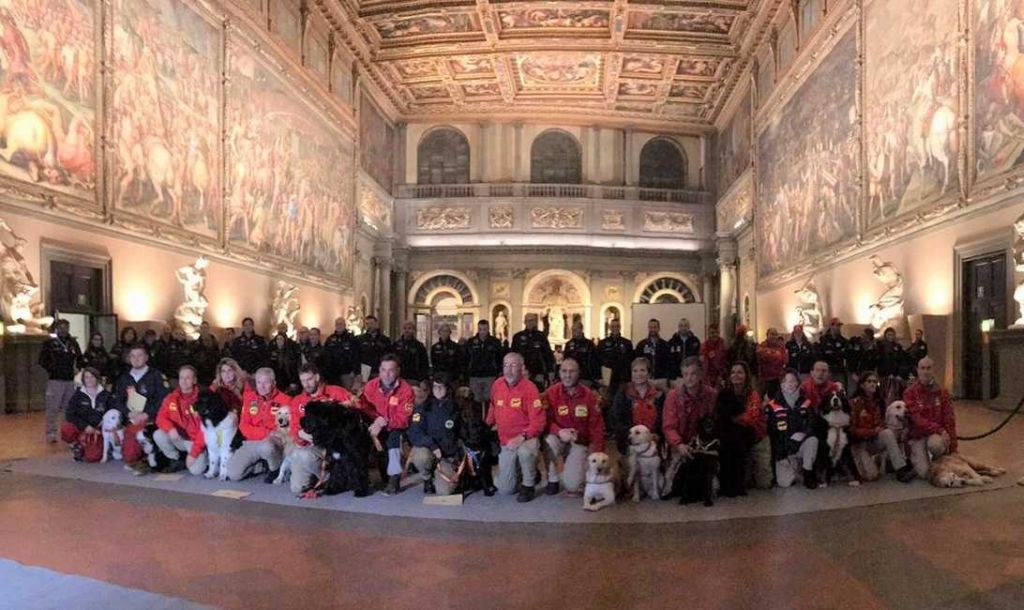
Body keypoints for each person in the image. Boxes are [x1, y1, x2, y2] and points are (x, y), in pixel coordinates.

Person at [486, 352, 546, 502]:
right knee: (506, 490)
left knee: (525, 452)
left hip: (526, 438)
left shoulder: (530, 388)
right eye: (506, 365)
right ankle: (525, 470)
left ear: (522, 368)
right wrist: (485, 427)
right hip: (505, 441)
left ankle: (529, 484)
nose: (508, 370)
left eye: (513, 365)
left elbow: (539, 422)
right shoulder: (497, 384)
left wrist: (522, 437)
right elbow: (492, 409)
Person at [287, 364, 355, 494]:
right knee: (297, 488)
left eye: (309, 379)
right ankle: (325, 477)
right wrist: (300, 434)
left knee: (304, 455)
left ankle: (338, 479)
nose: (306, 384)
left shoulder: (336, 392)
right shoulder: (297, 401)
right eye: (303, 381)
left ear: (317, 377)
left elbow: (356, 405)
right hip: (309, 444)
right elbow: (294, 428)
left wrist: (345, 406)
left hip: (333, 445)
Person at [542, 358, 605, 495]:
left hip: (579, 442)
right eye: (564, 371)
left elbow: (597, 427)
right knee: (548, 441)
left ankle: (573, 468)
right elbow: (544, 420)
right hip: (558, 437)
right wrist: (559, 431)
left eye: (572, 371)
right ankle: (552, 479)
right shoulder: (551, 393)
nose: (568, 375)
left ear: (579, 373)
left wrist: (597, 454)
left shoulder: (590, 396)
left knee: (572, 486)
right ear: (559, 372)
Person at [358, 354, 416, 495]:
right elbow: (362, 406)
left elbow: (404, 419)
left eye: (391, 370)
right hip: (373, 424)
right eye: (383, 370)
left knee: (393, 441)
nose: (387, 374)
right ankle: (361, 478)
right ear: (379, 370)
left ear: (398, 371)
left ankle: (394, 479)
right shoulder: (371, 385)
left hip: (395, 426)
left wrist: (385, 421)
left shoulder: (406, 390)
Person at [849, 372, 915, 483]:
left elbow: (882, 423)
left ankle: (900, 469)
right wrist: (872, 431)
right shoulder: (854, 403)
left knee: (888, 433)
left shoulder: (880, 402)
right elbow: (851, 430)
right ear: (862, 385)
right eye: (869, 381)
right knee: (872, 476)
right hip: (860, 445)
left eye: (875, 381)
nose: (873, 384)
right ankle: (866, 463)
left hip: (875, 441)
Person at [714, 362, 768, 496]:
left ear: (746, 376)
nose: (735, 375)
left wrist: (731, 418)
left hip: (754, 434)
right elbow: (719, 415)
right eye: (733, 372)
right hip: (730, 433)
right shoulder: (724, 393)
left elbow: (751, 419)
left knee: (764, 484)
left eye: (740, 372)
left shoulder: (753, 394)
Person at [662, 357, 717, 486]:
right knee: (674, 483)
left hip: (703, 443)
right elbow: (668, 426)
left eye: (693, 374)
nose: (689, 378)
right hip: (679, 443)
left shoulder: (711, 395)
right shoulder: (673, 396)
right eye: (685, 374)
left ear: (700, 375)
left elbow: (714, 422)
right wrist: (679, 444)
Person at [111, 345, 168, 471]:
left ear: (146, 357)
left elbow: (163, 400)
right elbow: (117, 401)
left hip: (151, 420)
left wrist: (147, 414)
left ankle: (150, 452)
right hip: (131, 419)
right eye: (133, 356)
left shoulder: (156, 376)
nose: (136, 359)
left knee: (142, 443)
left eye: (140, 355)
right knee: (129, 456)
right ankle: (141, 453)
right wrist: (128, 413)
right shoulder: (124, 378)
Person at [225, 367, 288, 482]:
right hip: (252, 441)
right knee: (233, 474)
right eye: (259, 382)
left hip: (272, 443)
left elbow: (282, 430)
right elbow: (244, 426)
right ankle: (259, 465)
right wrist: (267, 432)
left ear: (274, 383)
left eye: (266, 382)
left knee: (266, 447)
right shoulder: (249, 398)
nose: (262, 386)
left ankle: (275, 468)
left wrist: (272, 434)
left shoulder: (285, 400)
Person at [903, 357, 957, 478]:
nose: (925, 371)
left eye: (928, 368)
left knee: (936, 445)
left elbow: (949, 419)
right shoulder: (909, 393)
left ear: (933, 370)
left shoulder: (942, 392)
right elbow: (917, 419)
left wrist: (954, 448)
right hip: (917, 435)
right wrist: (940, 430)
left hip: (934, 436)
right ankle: (917, 458)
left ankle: (940, 458)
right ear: (917, 370)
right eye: (922, 368)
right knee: (924, 473)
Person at [765, 369, 819, 489]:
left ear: (798, 383)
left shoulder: (806, 403)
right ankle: (793, 468)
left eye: (792, 381)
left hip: (801, 445)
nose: (789, 384)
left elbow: (813, 424)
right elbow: (772, 434)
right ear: (781, 385)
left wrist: (804, 434)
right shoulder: (772, 405)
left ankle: (808, 472)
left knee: (813, 440)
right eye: (785, 381)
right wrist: (780, 455)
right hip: (784, 450)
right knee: (785, 483)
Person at [408, 376, 462, 495]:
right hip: (430, 450)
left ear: (447, 388)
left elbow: (462, 432)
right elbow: (414, 433)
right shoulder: (423, 407)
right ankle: (427, 478)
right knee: (421, 457)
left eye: (441, 387)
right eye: (435, 387)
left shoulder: (456, 407)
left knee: (445, 491)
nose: (437, 390)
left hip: (448, 455)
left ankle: (442, 474)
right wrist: (432, 445)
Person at [152, 366, 208, 476]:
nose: (184, 381)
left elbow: (205, 430)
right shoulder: (171, 397)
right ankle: (176, 459)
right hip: (179, 438)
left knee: (196, 471)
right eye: (181, 378)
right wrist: (171, 428)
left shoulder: (204, 398)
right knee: (158, 434)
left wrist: (193, 453)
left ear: (194, 380)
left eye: (188, 378)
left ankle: (203, 456)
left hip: (197, 442)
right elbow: (160, 418)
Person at [38, 319, 82, 443]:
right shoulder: (49, 343)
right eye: (61, 327)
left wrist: (78, 368)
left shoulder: (73, 342)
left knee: (68, 408)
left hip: (69, 380)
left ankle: (66, 433)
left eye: (66, 327)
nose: (63, 330)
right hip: (55, 380)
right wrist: (52, 369)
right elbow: (42, 360)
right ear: (57, 329)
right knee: (53, 408)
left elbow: (80, 358)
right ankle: (51, 433)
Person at [611, 357, 664, 457]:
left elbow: (663, 419)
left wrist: (656, 435)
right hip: (628, 443)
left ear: (649, 373)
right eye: (635, 371)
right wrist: (632, 436)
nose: (638, 374)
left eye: (642, 370)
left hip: (653, 444)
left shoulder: (659, 394)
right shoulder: (623, 393)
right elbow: (615, 419)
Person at [61, 367, 114, 462]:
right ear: (83, 380)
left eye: (92, 377)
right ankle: (77, 445)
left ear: (97, 378)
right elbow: (69, 415)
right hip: (82, 427)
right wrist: (85, 426)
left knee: (92, 457)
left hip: (99, 430)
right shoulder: (77, 395)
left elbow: (112, 412)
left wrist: (101, 426)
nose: (89, 380)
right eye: (87, 377)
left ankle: (94, 446)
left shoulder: (106, 395)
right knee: (66, 428)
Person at [465, 319, 505, 407]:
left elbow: (500, 358)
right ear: (478, 329)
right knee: (476, 400)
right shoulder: (471, 342)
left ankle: (488, 420)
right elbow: (466, 358)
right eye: (480, 329)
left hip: (490, 375)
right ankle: (477, 420)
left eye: (484, 329)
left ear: (488, 329)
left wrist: (498, 371)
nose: (482, 331)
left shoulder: (495, 342)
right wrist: (467, 372)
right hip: (474, 375)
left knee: (490, 399)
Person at [511, 313, 555, 388]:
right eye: (528, 321)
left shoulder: (541, 336)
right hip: (522, 373)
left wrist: (550, 371)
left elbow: (548, 354)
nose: (530, 323)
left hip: (538, 373)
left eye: (532, 320)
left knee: (537, 395)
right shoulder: (517, 337)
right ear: (524, 322)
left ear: (535, 322)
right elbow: (513, 356)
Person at [597, 317, 634, 397]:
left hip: (622, 379)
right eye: (613, 326)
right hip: (607, 379)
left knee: (621, 402)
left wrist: (629, 379)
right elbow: (598, 361)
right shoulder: (603, 343)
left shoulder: (627, 343)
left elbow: (631, 361)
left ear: (620, 327)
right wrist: (599, 377)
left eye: (617, 326)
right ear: (610, 328)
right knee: (606, 403)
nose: (615, 328)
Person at [324, 316, 360, 388]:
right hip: (333, 374)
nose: (339, 326)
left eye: (341, 324)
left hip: (347, 373)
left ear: (345, 325)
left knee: (347, 394)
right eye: (337, 324)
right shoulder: (330, 339)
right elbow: (326, 355)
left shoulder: (352, 339)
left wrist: (355, 371)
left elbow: (356, 355)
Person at [635, 319, 671, 389]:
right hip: (645, 379)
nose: (653, 329)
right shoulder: (641, 344)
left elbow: (668, 363)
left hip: (661, 379)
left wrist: (667, 378)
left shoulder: (665, 345)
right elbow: (637, 363)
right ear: (648, 328)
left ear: (659, 328)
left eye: (655, 327)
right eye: (651, 327)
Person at [563, 321, 600, 387]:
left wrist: (595, 377)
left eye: (575, 330)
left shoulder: (589, 344)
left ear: (580, 330)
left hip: (585, 378)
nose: (573, 332)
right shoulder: (568, 344)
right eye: (572, 330)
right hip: (571, 377)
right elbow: (565, 360)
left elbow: (594, 361)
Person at [756, 328, 788, 399]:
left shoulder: (781, 346)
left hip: (778, 378)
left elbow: (785, 360)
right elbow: (765, 357)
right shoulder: (762, 346)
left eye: (776, 334)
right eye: (772, 334)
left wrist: (772, 355)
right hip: (766, 379)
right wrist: (777, 355)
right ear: (767, 335)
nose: (774, 336)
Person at [269, 323, 301, 393]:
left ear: (287, 329)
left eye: (283, 328)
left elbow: (296, 364)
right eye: (280, 328)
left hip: (289, 377)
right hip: (276, 378)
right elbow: (269, 362)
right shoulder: (271, 344)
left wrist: (294, 380)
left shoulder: (293, 344)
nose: (281, 330)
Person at [356, 315, 392, 379]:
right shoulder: (360, 339)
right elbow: (357, 355)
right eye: (367, 324)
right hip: (365, 369)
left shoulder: (384, 340)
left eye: (371, 323)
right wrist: (358, 371)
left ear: (376, 324)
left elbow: (388, 355)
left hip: (379, 368)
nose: (369, 326)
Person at [667, 318, 701, 383]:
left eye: (685, 325)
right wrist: (671, 377)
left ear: (689, 327)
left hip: (691, 376)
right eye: (681, 326)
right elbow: (668, 361)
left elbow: (698, 359)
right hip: (676, 377)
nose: (683, 328)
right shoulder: (672, 342)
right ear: (678, 327)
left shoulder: (695, 341)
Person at [818, 318, 848, 388]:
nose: (839, 327)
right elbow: (821, 356)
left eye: (839, 326)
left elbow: (845, 354)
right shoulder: (823, 340)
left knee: (841, 390)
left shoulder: (843, 341)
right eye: (837, 325)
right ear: (831, 326)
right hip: (828, 371)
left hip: (840, 370)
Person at [699, 324, 728, 389]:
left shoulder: (723, 344)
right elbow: (704, 365)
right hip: (708, 377)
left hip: (721, 376)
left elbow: (725, 361)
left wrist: (722, 376)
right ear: (708, 334)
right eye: (712, 333)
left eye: (717, 332)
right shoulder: (704, 347)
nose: (715, 334)